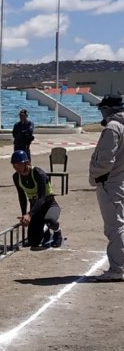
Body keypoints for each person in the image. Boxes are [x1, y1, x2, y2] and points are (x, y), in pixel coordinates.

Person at [88, 94, 124, 282]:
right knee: (119, 223)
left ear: (108, 109)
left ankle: (117, 269)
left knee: (114, 226)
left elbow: (105, 161)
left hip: (110, 182)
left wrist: (94, 174)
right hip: (120, 179)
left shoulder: (112, 128)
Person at [11, 150, 63, 250]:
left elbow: (42, 198)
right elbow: (21, 196)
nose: (16, 168)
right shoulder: (16, 177)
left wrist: (30, 214)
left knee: (50, 220)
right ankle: (45, 231)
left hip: (49, 205)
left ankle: (57, 233)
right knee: (33, 242)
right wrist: (24, 215)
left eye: (19, 164)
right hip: (35, 209)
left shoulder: (38, 173)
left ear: (26, 163)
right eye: (14, 165)